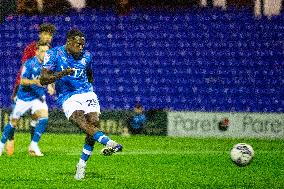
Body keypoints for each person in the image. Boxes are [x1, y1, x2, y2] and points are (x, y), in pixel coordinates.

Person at [40, 28, 123, 180]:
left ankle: (81, 165)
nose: (81, 47)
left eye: (83, 45)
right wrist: (62, 73)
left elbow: (90, 75)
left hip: (87, 93)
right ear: (69, 41)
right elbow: (43, 79)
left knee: (93, 123)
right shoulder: (54, 54)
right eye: (78, 44)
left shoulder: (87, 56)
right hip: (67, 96)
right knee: (80, 120)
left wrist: (89, 91)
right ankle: (110, 142)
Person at [6, 23, 56, 156]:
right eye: (44, 33)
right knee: (15, 116)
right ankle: (10, 139)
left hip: (37, 88)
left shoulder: (52, 52)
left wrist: (51, 85)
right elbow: (25, 69)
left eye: (49, 35)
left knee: (36, 116)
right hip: (23, 86)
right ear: (40, 34)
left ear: (51, 37)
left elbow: (50, 71)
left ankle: (33, 146)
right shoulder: (30, 49)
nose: (47, 37)